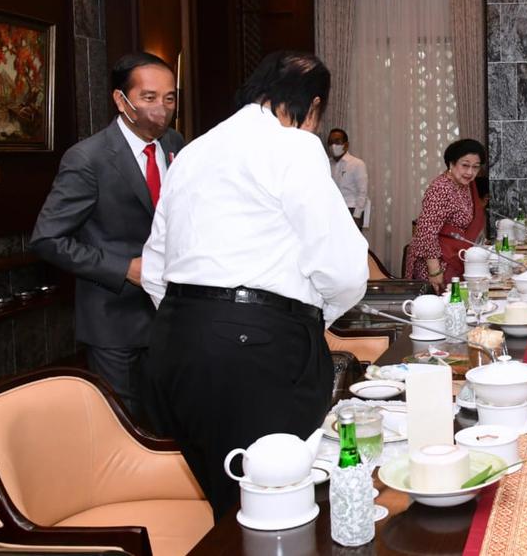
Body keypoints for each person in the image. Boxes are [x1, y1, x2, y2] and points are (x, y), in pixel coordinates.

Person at [140, 51, 368, 519]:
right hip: (257, 349)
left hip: (174, 343)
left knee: (227, 500)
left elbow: (154, 267)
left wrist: (204, 322)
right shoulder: (294, 146)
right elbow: (345, 270)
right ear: (313, 106)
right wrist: (310, 320)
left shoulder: (192, 151)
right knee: (274, 503)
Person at [30, 52, 185, 421]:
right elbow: (47, 238)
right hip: (114, 321)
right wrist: (124, 268)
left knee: (170, 420)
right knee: (125, 425)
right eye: (149, 98)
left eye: (169, 98)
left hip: (169, 316)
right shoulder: (88, 158)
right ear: (121, 99)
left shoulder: (175, 144)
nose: (161, 109)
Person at [405, 139, 488, 292]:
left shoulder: (464, 185)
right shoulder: (441, 188)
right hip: (437, 263)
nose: (470, 172)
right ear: (451, 163)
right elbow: (426, 232)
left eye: (475, 167)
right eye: (465, 165)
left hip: (455, 257)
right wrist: (434, 271)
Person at [327, 128, 368, 227]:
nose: (333, 145)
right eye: (330, 142)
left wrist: (357, 215)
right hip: (331, 210)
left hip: (351, 209)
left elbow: (362, 192)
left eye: (337, 141)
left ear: (346, 145)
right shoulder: (326, 163)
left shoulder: (357, 164)